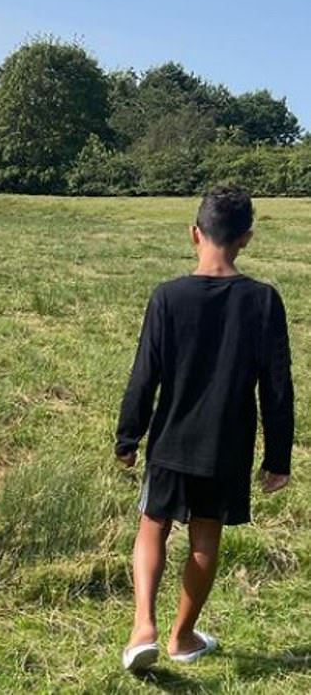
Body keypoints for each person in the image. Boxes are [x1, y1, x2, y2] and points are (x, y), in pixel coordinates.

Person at [115, 187, 294, 672]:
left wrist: (128, 437)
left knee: (152, 525)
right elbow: (278, 387)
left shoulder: (168, 296)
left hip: (171, 440)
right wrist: (278, 458)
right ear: (246, 239)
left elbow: (143, 375)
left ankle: (142, 628)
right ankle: (182, 636)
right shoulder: (263, 301)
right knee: (204, 537)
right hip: (226, 446)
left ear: (195, 233)